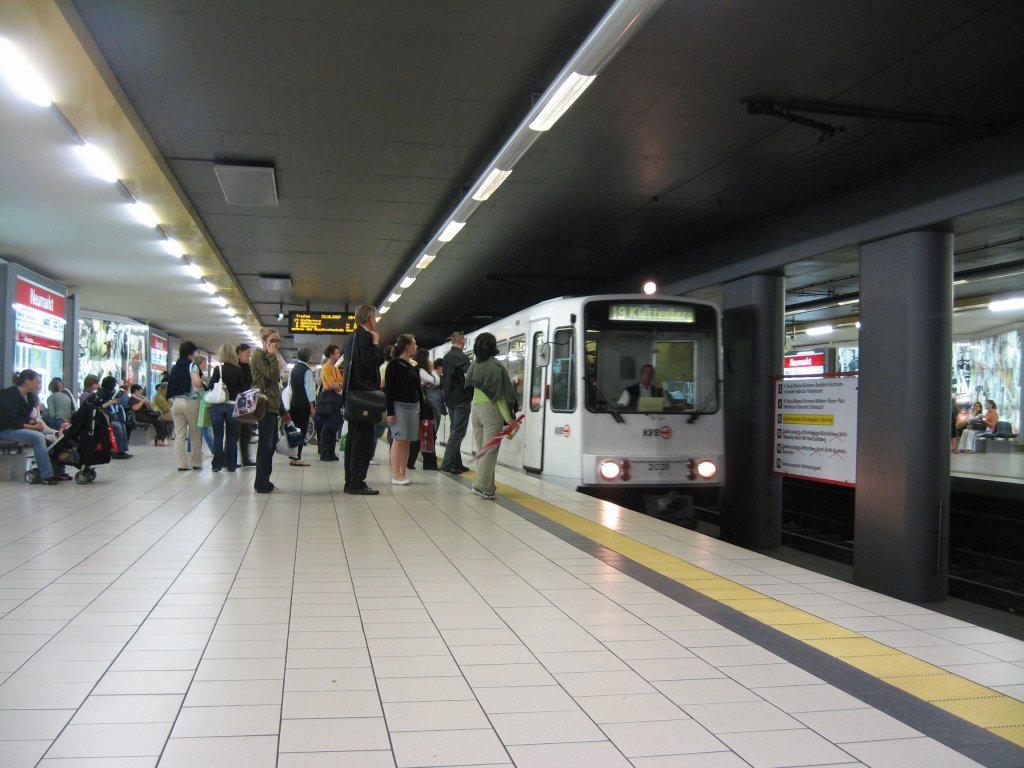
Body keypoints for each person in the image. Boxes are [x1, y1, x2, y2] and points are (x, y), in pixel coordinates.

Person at [465, 333, 518, 500]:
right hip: (490, 411)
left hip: (476, 410)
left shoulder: (474, 365)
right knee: (490, 452)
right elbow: (499, 396)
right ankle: (479, 485)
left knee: (484, 450)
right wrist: (509, 418)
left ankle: (488, 488)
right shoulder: (495, 366)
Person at [0, 369, 69, 484]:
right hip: (6, 430)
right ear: (27, 381)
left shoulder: (29, 397)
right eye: (37, 382)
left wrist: (34, 424)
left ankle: (59, 471)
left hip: (19, 428)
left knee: (56, 434)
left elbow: (25, 418)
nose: (39, 385)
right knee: (37, 437)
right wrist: (33, 427)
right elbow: (10, 420)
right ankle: (46, 475)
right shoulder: (9, 395)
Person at [343, 304, 381, 495]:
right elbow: (370, 362)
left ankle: (349, 480)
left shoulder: (350, 337)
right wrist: (375, 344)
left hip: (352, 396)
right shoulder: (366, 336)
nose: (377, 320)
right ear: (369, 318)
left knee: (353, 438)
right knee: (363, 440)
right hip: (365, 396)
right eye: (376, 317)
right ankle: (357, 482)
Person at [251, 328, 290, 493]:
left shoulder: (268, 357)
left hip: (273, 407)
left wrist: (283, 411)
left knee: (270, 446)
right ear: (265, 341)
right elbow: (272, 376)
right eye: (274, 340)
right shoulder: (259, 355)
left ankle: (264, 481)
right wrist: (272, 355)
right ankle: (262, 483)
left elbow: (275, 387)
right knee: (265, 446)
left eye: (278, 341)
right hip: (265, 408)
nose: (277, 344)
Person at [385, 334, 423, 485]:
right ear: (407, 346)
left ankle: (403, 472)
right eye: (414, 343)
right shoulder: (393, 365)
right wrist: (390, 412)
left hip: (413, 406)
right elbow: (389, 390)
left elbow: (418, 389)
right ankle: (396, 475)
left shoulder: (412, 366)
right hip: (398, 406)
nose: (416, 346)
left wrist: (422, 408)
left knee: (407, 440)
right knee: (399, 439)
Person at [167, 340, 204, 470]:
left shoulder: (175, 367)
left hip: (176, 403)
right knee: (195, 432)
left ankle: (181, 464)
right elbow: (197, 383)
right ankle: (196, 462)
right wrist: (202, 381)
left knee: (180, 435)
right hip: (191, 402)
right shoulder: (192, 366)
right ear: (191, 353)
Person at [209, 343, 244, 472]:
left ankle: (217, 465)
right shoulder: (238, 370)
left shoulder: (218, 369)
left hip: (218, 406)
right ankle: (231, 465)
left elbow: (211, 386)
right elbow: (242, 390)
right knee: (232, 437)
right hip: (232, 406)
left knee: (218, 436)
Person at [440, 332, 471, 474]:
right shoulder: (462, 357)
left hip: (450, 400)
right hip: (461, 399)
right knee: (458, 432)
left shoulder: (446, 358)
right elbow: (468, 378)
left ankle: (457, 463)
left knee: (454, 431)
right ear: (462, 342)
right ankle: (447, 463)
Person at [287, 347, 316, 467]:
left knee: (294, 431)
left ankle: (293, 456)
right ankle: (297, 457)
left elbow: (290, 387)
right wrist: (312, 407)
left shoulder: (294, 369)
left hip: (293, 403)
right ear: (308, 357)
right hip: (303, 404)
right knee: (302, 431)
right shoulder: (307, 371)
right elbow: (309, 391)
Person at [317, 344, 343, 462]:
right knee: (327, 426)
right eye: (337, 353)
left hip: (336, 398)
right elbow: (333, 385)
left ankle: (331, 452)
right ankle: (325, 453)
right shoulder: (326, 367)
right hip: (328, 398)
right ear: (331, 354)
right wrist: (338, 385)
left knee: (333, 426)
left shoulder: (336, 368)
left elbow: (341, 384)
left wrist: (338, 385)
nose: (339, 355)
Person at [99, 376, 132, 459]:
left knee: (123, 426)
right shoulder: (101, 394)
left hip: (110, 417)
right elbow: (99, 407)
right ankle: (117, 451)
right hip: (103, 418)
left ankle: (122, 449)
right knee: (117, 427)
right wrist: (111, 402)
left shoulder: (109, 394)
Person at [235, 343, 256, 467]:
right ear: (239, 353)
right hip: (237, 403)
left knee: (246, 432)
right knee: (236, 433)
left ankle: (245, 458)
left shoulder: (248, 368)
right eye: (247, 353)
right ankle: (230, 459)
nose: (249, 356)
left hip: (246, 403)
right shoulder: (236, 367)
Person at [432, 359, 446, 443]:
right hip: (431, 406)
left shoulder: (442, 378)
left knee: (436, 426)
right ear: (438, 366)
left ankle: (431, 447)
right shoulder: (431, 377)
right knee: (433, 426)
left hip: (438, 406)